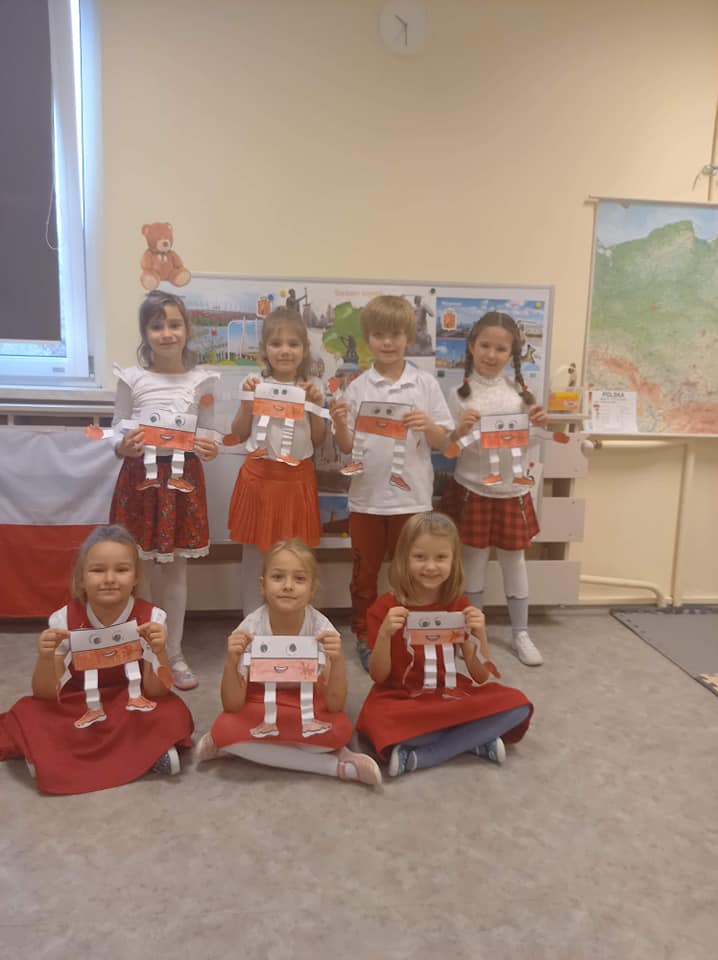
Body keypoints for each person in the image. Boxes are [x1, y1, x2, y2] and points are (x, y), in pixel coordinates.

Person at [0, 525, 194, 794]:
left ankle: (58, 756)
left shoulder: (152, 618)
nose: (110, 579)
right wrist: (46, 657)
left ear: (136, 578)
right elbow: (44, 694)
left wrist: (159, 651)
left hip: (131, 700)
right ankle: (140, 755)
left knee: (172, 711)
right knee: (29, 712)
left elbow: (157, 691)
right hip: (79, 702)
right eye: (98, 570)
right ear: (81, 579)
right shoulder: (63, 619)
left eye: (121, 570)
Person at [356, 512, 532, 777]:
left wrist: (480, 635)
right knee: (375, 721)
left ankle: (424, 754)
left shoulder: (459, 605)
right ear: (404, 559)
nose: (430, 566)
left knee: (518, 704)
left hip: (448, 696)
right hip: (401, 698)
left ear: (453, 561)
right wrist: (384, 635)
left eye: (440, 558)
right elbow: (378, 676)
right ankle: (474, 740)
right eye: (420, 557)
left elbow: (480, 676)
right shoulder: (385, 608)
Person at [329, 295, 453, 670]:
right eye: (379, 335)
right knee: (364, 575)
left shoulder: (424, 384)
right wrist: (339, 422)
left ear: (408, 337)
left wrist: (428, 425)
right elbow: (346, 447)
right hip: (366, 499)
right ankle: (365, 635)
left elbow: (443, 442)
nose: (387, 342)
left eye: (396, 334)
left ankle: (413, 634)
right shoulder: (357, 388)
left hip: (412, 500)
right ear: (367, 338)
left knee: (413, 573)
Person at [195, 539, 381, 786]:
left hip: (307, 703)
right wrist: (231, 661)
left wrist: (337, 661)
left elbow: (335, 704)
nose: (288, 586)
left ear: (312, 589)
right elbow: (232, 704)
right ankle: (336, 766)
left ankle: (240, 748)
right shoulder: (250, 628)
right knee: (223, 729)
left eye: (299, 579)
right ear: (263, 586)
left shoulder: (322, 629)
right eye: (278, 577)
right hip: (260, 700)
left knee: (340, 730)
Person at [110, 291, 219, 690]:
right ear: (145, 333)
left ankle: (172, 653)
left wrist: (210, 446)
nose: (167, 333)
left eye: (174, 324)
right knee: (135, 568)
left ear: (187, 329)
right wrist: (122, 446)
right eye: (157, 326)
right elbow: (117, 430)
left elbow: (210, 432)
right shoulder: (132, 378)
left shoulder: (202, 381)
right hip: (139, 481)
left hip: (182, 481)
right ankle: (135, 648)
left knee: (175, 570)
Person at [440, 311, 549, 666]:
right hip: (472, 489)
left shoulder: (521, 394)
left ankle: (521, 633)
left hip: (512, 492)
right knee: (472, 561)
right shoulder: (457, 394)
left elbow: (532, 444)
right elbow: (452, 448)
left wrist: (538, 425)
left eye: (501, 349)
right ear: (472, 346)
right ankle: (473, 633)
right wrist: (461, 430)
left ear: (512, 353)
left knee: (514, 561)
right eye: (485, 345)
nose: (491, 354)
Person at [228, 307, 325, 616]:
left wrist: (315, 405)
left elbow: (318, 440)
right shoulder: (252, 383)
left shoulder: (312, 387)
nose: (285, 350)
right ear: (264, 349)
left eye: (293, 344)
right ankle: (251, 625)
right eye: (276, 343)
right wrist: (248, 402)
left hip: (297, 481)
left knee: (296, 558)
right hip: (259, 479)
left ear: (304, 349)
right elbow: (238, 432)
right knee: (255, 559)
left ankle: (295, 624)